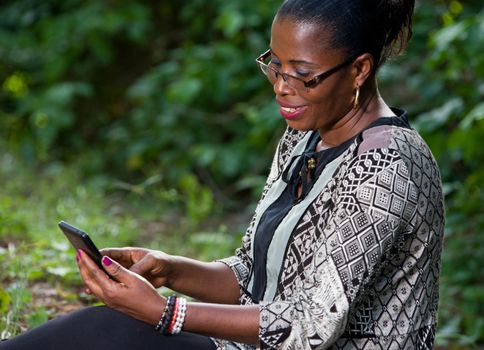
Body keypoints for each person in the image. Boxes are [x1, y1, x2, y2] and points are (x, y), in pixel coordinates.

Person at [1, 0, 444, 349]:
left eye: (303, 75)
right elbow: (253, 275)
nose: (281, 87)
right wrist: (171, 270)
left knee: (117, 334)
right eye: (276, 65)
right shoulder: (305, 136)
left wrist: (167, 313)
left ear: (359, 70)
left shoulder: (390, 167)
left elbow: (311, 325)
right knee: (110, 329)